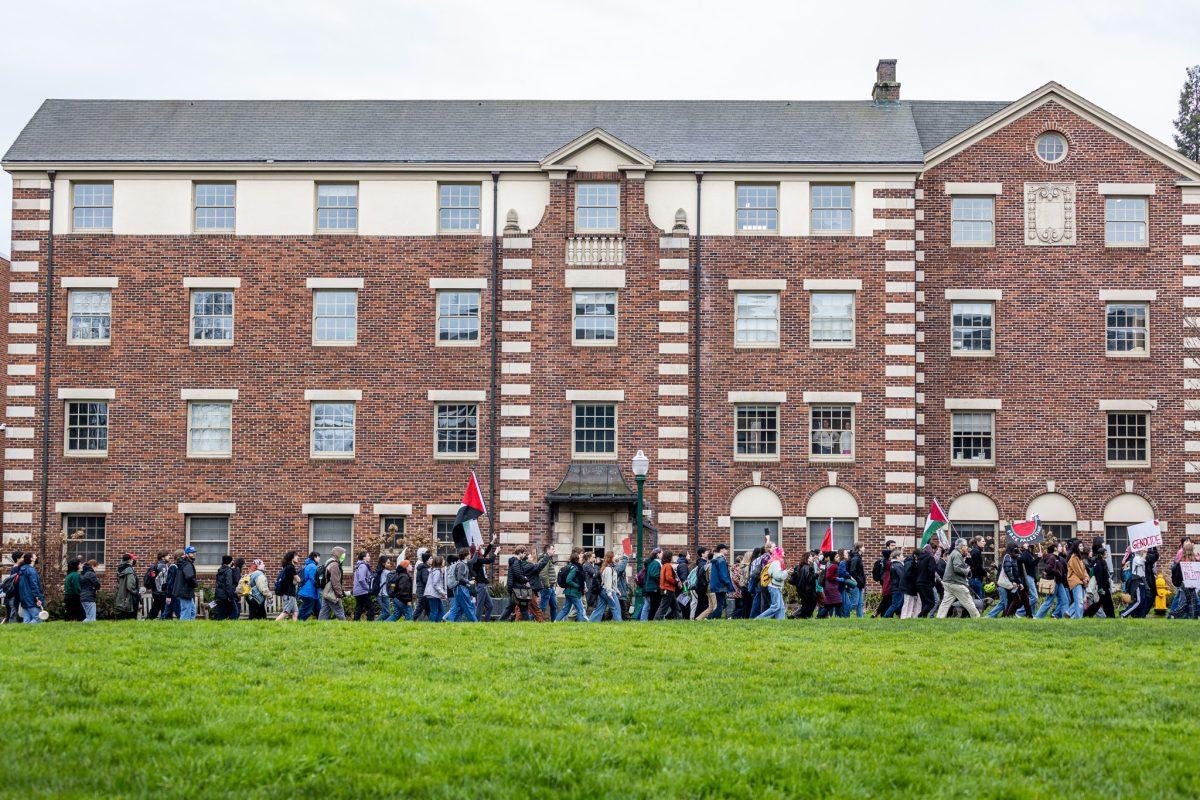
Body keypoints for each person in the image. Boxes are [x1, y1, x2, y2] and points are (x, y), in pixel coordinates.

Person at [936, 539, 980, 618]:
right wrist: (966, 571)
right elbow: (957, 568)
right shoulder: (957, 554)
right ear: (961, 546)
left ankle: (939, 617)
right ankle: (977, 617)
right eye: (965, 545)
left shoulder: (954, 553)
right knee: (968, 600)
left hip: (948, 582)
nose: (967, 547)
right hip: (956, 582)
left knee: (945, 603)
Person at [505, 546, 546, 621]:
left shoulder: (519, 563)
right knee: (533, 607)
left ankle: (524, 622)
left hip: (519, 589)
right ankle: (502, 620)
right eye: (530, 558)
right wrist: (525, 580)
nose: (532, 559)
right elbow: (518, 575)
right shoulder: (519, 563)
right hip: (519, 589)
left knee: (522, 609)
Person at [1034, 542, 1070, 619]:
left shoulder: (1057, 558)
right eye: (1060, 546)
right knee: (1049, 601)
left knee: (1065, 600)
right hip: (1053, 582)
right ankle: (1037, 617)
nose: (1061, 547)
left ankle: (1065, 618)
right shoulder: (1052, 557)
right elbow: (1048, 569)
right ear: (1055, 548)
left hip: (1058, 582)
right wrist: (1058, 573)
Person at [755, 548, 791, 619]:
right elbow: (778, 576)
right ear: (779, 553)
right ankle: (759, 618)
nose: (784, 552)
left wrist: (786, 572)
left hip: (776, 587)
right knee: (776, 606)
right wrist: (786, 572)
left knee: (781, 607)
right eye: (782, 551)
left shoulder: (777, 562)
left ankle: (780, 622)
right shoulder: (776, 563)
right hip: (774, 587)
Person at [1084, 538, 1115, 618]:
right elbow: (1099, 577)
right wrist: (1100, 588)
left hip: (1104, 586)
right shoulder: (1099, 563)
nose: (1107, 554)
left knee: (1100, 603)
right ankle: (1111, 617)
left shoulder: (1102, 562)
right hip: (1103, 587)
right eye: (1106, 553)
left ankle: (1088, 614)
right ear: (1102, 555)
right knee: (1107, 603)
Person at [555, 548, 590, 622]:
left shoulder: (572, 567)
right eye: (580, 558)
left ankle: (555, 622)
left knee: (565, 610)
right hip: (574, 592)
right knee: (580, 609)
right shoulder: (574, 568)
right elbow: (568, 580)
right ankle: (580, 625)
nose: (582, 559)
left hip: (569, 592)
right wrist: (577, 586)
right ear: (577, 559)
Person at [589, 550, 624, 622]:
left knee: (600, 608)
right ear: (611, 558)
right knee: (615, 607)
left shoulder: (608, 567)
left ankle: (592, 621)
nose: (616, 557)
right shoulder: (608, 568)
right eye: (614, 556)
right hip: (607, 591)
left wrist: (617, 590)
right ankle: (619, 623)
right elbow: (608, 582)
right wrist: (609, 594)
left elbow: (612, 582)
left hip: (604, 590)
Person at [469, 536, 498, 621]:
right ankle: (476, 622)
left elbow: (486, 553)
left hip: (483, 585)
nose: (482, 548)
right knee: (480, 606)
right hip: (480, 586)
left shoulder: (478, 558)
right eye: (480, 548)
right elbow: (490, 560)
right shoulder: (477, 560)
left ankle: (486, 621)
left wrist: (493, 540)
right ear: (476, 551)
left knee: (490, 606)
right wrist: (496, 552)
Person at [445, 549, 478, 623]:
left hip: (459, 589)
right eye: (469, 554)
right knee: (468, 607)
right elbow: (460, 578)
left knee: (457, 608)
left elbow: (473, 561)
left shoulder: (462, 564)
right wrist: (469, 582)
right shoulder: (462, 565)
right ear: (466, 555)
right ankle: (476, 623)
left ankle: (449, 623)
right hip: (461, 589)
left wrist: (477, 551)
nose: (470, 555)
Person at [1000, 545, 1033, 617]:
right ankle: (1008, 616)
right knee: (1015, 599)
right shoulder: (1008, 557)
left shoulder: (1014, 557)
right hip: (1011, 582)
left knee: (1024, 598)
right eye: (1016, 548)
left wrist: (1019, 582)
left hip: (1017, 581)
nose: (1018, 549)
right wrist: (1013, 581)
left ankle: (1029, 615)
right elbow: (1008, 570)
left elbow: (1016, 571)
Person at [318, 546, 347, 620]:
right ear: (338, 554)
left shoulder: (329, 561)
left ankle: (319, 627)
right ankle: (346, 627)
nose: (344, 556)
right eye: (343, 554)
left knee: (324, 611)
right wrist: (339, 594)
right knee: (339, 611)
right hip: (332, 591)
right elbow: (335, 581)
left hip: (326, 591)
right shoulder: (334, 565)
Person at [1121, 548, 1150, 618]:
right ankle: (1124, 614)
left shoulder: (1141, 557)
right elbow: (1141, 562)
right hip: (1137, 582)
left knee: (1143, 600)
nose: (1144, 550)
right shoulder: (1136, 558)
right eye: (1142, 549)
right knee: (1138, 601)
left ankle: (1138, 616)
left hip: (1142, 582)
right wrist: (1145, 553)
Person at [17, 552, 45, 623]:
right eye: (34, 556)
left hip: (24, 597)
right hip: (31, 598)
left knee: (27, 619)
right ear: (31, 559)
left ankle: (23, 634)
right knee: (38, 618)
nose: (36, 557)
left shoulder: (22, 569)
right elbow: (34, 585)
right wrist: (37, 598)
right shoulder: (31, 570)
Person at [1173, 541, 1198, 619]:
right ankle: (1190, 616)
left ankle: (1180, 615)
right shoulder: (1194, 560)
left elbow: (1176, 573)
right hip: (1191, 584)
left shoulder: (1181, 560)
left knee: (1184, 601)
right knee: (1192, 601)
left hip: (1183, 584)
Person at [708, 544, 733, 619]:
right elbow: (723, 574)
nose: (727, 551)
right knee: (720, 604)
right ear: (721, 549)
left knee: (721, 603)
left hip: (716, 584)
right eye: (726, 549)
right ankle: (710, 617)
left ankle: (715, 618)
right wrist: (728, 583)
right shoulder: (721, 560)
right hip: (721, 585)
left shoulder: (716, 559)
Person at [1065, 540, 1088, 619]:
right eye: (1080, 546)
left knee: (1079, 601)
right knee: (1079, 602)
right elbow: (1078, 571)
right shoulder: (1074, 557)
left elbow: (1084, 570)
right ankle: (1078, 618)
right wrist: (1084, 578)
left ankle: (1069, 613)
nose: (1082, 547)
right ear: (1076, 547)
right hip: (1075, 581)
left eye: (1082, 546)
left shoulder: (1079, 557)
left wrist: (1086, 578)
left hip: (1080, 580)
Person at [818, 551, 845, 618]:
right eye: (837, 557)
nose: (839, 558)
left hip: (828, 587)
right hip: (832, 588)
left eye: (839, 556)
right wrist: (838, 579)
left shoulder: (831, 565)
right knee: (838, 603)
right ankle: (839, 617)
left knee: (829, 605)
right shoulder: (834, 566)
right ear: (833, 558)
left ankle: (819, 616)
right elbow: (828, 576)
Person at [274, 551, 299, 621]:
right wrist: (298, 579)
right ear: (292, 557)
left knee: (295, 612)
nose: (298, 557)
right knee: (286, 612)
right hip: (289, 594)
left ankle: (296, 627)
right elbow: (298, 579)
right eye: (296, 556)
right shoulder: (290, 567)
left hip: (290, 593)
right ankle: (274, 623)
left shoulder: (286, 567)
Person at [690, 547, 713, 620]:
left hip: (701, 586)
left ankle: (699, 618)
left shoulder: (702, 562)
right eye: (707, 552)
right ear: (702, 554)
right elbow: (701, 575)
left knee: (702, 603)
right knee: (701, 603)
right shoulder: (702, 563)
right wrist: (704, 584)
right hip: (702, 587)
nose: (708, 553)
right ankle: (698, 618)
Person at [915, 544, 938, 617]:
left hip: (919, 582)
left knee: (924, 602)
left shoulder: (919, 559)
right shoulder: (930, 558)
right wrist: (932, 582)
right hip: (926, 582)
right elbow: (932, 570)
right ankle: (920, 615)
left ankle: (923, 617)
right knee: (931, 602)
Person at [114, 553, 139, 619]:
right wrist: (136, 592)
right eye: (133, 559)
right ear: (130, 560)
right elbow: (130, 586)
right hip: (129, 598)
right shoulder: (129, 570)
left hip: (120, 597)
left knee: (121, 617)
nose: (134, 561)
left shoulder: (119, 569)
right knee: (130, 619)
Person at [351, 551, 375, 621]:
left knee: (359, 607)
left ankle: (356, 622)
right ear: (364, 558)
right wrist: (368, 588)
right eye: (368, 556)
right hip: (362, 591)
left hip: (358, 591)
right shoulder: (363, 566)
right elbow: (361, 579)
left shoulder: (359, 565)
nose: (369, 557)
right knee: (371, 607)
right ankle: (370, 623)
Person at [145, 551, 169, 620]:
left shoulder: (156, 566)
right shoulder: (162, 566)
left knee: (156, 608)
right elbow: (164, 580)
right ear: (163, 557)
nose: (169, 557)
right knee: (162, 609)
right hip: (161, 593)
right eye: (167, 555)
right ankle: (163, 621)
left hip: (157, 592)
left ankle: (149, 620)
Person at [883, 547, 906, 618]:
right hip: (897, 587)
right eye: (902, 555)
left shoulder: (895, 564)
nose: (903, 557)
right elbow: (902, 576)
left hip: (895, 587)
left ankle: (897, 615)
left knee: (898, 603)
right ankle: (886, 616)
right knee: (895, 604)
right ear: (898, 557)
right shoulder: (898, 565)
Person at [845, 542, 866, 618]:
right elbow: (852, 571)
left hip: (859, 583)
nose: (864, 548)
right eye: (863, 547)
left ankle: (860, 619)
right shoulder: (855, 558)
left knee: (860, 603)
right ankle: (845, 615)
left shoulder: (859, 557)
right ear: (859, 548)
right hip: (855, 583)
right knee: (854, 603)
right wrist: (857, 581)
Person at [423, 555, 447, 622]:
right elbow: (435, 584)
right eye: (443, 560)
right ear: (440, 562)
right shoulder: (437, 571)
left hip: (434, 594)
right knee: (434, 611)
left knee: (441, 611)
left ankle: (437, 624)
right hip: (433, 594)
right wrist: (442, 592)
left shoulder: (435, 570)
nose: (444, 561)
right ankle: (431, 625)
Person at [213, 555, 238, 620]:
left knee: (221, 613)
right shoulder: (228, 571)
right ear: (230, 561)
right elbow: (228, 584)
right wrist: (230, 596)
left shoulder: (220, 570)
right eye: (232, 560)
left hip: (219, 595)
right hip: (226, 596)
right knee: (235, 612)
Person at [298, 551, 321, 621]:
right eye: (318, 557)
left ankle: (321, 623)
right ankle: (298, 622)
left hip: (311, 593)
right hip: (309, 593)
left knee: (318, 609)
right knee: (306, 610)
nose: (319, 558)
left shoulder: (308, 565)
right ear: (314, 557)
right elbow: (313, 579)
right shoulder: (313, 566)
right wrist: (320, 584)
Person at [641, 548, 663, 621]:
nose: (662, 554)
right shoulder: (656, 563)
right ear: (658, 554)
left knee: (654, 605)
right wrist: (662, 579)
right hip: (653, 588)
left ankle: (652, 619)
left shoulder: (654, 562)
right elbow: (654, 574)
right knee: (654, 605)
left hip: (652, 587)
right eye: (661, 552)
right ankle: (651, 620)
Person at [872, 542, 893, 618]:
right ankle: (879, 614)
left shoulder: (881, 561)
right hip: (887, 582)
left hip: (884, 582)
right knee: (887, 599)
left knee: (886, 599)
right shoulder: (888, 563)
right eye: (892, 545)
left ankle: (881, 614)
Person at [537, 545, 558, 621]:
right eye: (552, 549)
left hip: (550, 587)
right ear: (547, 550)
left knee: (554, 606)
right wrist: (547, 586)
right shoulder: (544, 560)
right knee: (542, 607)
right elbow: (543, 574)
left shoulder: (548, 559)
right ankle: (536, 620)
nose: (554, 551)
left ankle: (554, 622)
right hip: (546, 588)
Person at [3, 551, 25, 624]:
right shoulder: (16, 568)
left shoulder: (18, 567)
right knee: (13, 614)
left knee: (13, 614)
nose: (24, 558)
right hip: (13, 595)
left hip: (13, 595)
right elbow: (15, 583)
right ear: (18, 559)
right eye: (22, 557)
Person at [159, 551, 181, 620]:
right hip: (173, 593)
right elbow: (170, 582)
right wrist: (168, 596)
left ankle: (162, 622)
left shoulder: (178, 567)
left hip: (174, 593)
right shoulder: (173, 567)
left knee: (167, 611)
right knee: (178, 612)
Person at [375, 555, 396, 622]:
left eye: (389, 563)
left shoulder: (380, 571)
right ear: (383, 563)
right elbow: (393, 579)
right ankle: (376, 623)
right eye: (388, 563)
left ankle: (380, 624)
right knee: (387, 612)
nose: (389, 564)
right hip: (384, 594)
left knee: (384, 611)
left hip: (380, 594)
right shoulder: (386, 572)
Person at [413, 549, 431, 621]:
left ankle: (433, 622)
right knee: (420, 608)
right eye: (430, 558)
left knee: (428, 608)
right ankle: (412, 619)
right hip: (423, 591)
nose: (431, 559)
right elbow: (425, 580)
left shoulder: (423, 567)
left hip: (423, 591)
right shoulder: (424, 568)